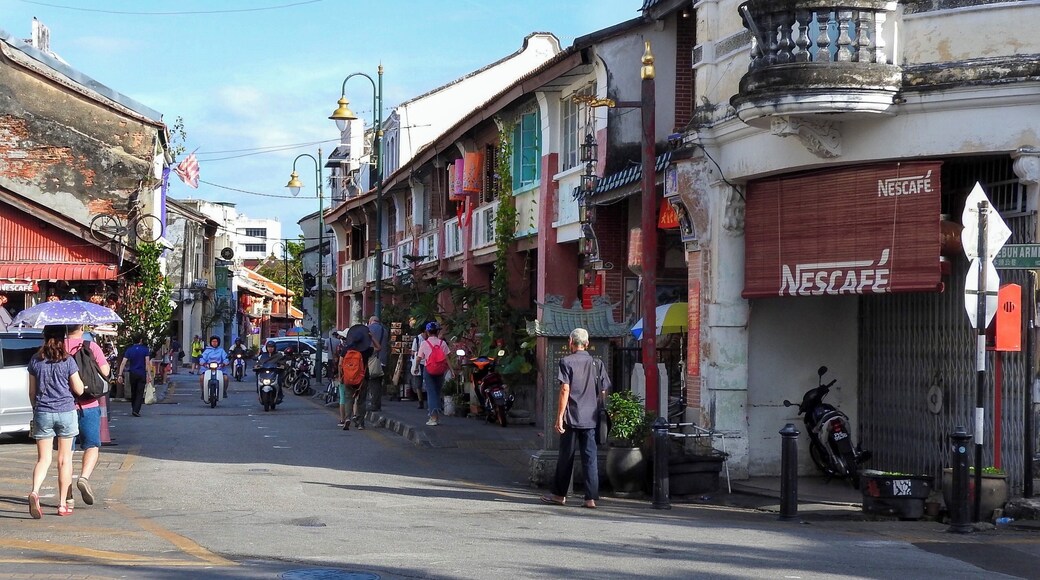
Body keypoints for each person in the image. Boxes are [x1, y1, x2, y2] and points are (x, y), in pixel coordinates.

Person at [541, 328, 611, 509]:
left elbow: (565, 389)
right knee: (590, 458)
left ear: (570, 342)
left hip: (572, 416)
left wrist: (559, 417)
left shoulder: (566, 361)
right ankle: (590, 499)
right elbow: (603, 390)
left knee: (566, 457)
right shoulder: (597, 363)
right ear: (587, 344)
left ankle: (559, 495)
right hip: (592, 417)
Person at [27, 325, 86, 518]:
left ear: (44, 337)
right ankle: (62, 504)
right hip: (66, 412)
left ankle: (35, 491)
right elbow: (78, 390)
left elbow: (32, 392)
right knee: (64, 459)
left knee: (43, 459)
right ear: (63, 337)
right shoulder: (67, 360)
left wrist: (36, 410)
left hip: (43, 411)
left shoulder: (35, 360)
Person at [64, 324, 110, 510]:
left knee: (66, 454)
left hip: (65, 406)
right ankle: (84, 478)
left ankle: (67, 497)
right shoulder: (91, 346)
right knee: (92, 445)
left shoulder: (57, 347)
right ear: (81, 327)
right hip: (89, 404)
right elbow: (105, 371)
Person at [411, 321, 451, 427]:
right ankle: (437, 417)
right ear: (438, 332)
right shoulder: (442, 343)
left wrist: (415, 368)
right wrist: (451, 370)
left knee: (431, 393)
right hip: (440, 370)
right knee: (437, 392)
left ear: (428, 332)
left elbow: (419, 358)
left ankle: (433, 417)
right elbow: (447, 358)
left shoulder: (424, 343)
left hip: (428, 370)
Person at [116, 335, 151, 417]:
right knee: (140, 392)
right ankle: (136, 409)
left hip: (132, 373)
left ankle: (133, 408)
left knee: (133, 391)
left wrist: (120, 374)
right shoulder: (145, 350)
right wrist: (149, 374)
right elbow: (147, 363)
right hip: (141, 373)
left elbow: (123, 362)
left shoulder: (129, 350)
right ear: (141, 340)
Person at [198, 335, 230, 400]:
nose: (214, 343)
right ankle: (203, 391)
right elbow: (202, 358)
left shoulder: (221, 351)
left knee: (226, 378)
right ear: (210, 342)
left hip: (219, 369)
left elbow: (225, 358)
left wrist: (224, 363)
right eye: (213, 341)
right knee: (202, 378)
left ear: (218, 342)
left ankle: (224, 391)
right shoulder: (207, 351)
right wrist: (203, 363)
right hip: (207, 368)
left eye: (216, 341)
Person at [409, 319, 429, 409]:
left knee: (429, 382)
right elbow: (413, 352)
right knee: (418, 383)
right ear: (424, 330)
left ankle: (429, 400)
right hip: (420, 362)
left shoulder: (431, 338)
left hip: (428, 362)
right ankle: (420, 401)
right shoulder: (417, 339)